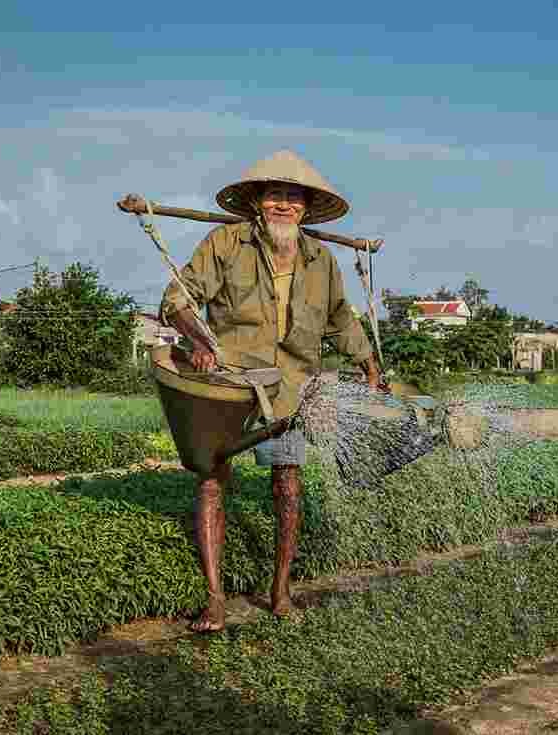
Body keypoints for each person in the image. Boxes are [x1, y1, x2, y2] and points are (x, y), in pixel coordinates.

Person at [152, 150, 386, 632]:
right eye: (274, 195)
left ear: (306, 208)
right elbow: (177, 298)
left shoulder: (321, 260)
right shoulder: (225, 243)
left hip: (290, 387)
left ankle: (281, 590)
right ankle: (214, 599)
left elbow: (341, 318)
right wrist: (202, 342)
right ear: (257, 202)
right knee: (212, 480)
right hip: (230, 382)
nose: (283, 204)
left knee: (287, 483)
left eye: (293, 197)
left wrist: (368, 364)